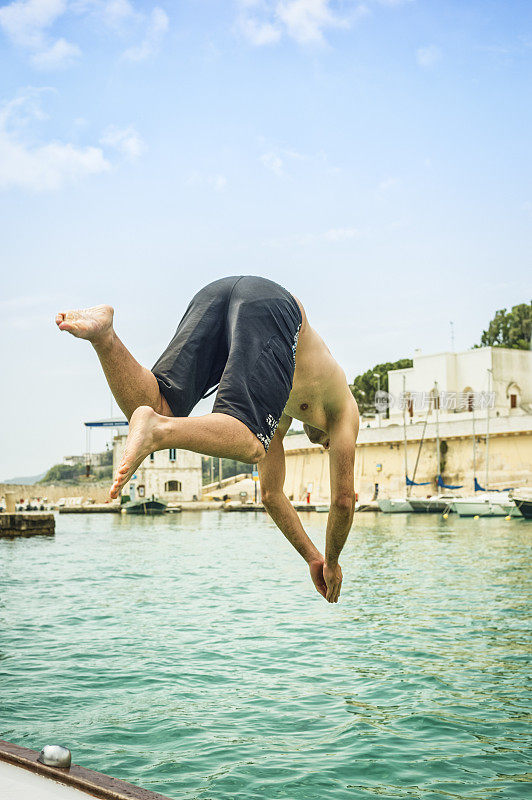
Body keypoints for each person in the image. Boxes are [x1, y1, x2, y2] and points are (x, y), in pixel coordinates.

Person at [56, 276, 359, 603]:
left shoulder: (283, 398)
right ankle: (158, 431)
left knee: (158, 406)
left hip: (217, 294)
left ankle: (105, 337)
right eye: (326, 445)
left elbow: (271, 495)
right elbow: (343, 501)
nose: (325, 446)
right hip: (272, 306)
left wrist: (314, 558)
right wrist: (333, 562)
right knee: (251, 443)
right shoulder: (345, 410)